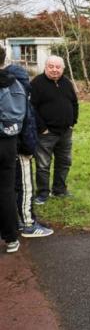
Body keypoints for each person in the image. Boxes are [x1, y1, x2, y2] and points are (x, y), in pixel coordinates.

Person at [0, 47, 53, 238]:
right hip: (17, 144)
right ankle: (28, 224)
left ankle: (14, 224)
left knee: (9, 188)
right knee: (24, 185)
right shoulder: (17, 84)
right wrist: (28, 146)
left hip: (11, 142)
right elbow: (25, 119)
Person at [30, 56, 79, 204]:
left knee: (64, 162)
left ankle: (60, 190)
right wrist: (42, 128)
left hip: (65, 132)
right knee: (43, 165)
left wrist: (72, 122)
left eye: (58, 67)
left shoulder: (66, 82)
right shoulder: (37, 83)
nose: (54, 69)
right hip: (46, 133)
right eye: (51, 66)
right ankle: (43, 194)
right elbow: (31, 108)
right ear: (45, 67)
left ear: (62, 69)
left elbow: (74, 103)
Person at [0, 64, 26, 253]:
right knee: (6, 191)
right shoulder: (15, 83)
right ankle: (10, 238)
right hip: (8, 143)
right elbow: (19, 114)